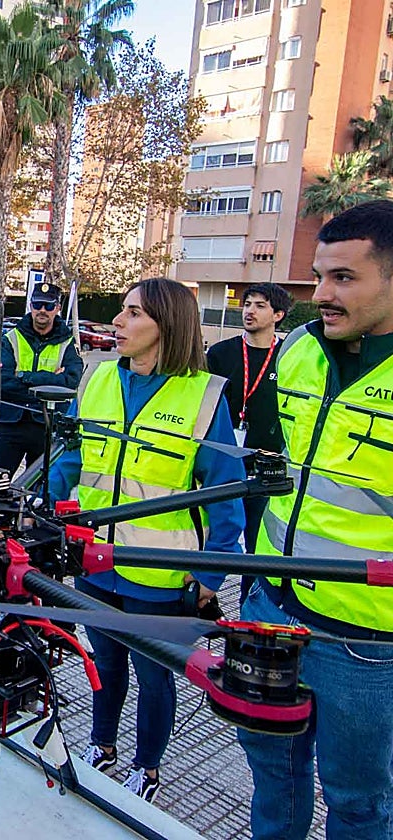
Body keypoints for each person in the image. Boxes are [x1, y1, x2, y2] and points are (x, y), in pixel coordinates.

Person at [49, 277, 245, 803]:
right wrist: (46, 517)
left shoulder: (203, 396)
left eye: (133, 313)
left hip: (161, 569)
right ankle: (102, 744)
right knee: (104, 663)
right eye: (121, 311)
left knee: (153, 677)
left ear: (167, 326)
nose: (118, 322)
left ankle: (147, 767)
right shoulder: (95, 381)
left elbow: (226, 497)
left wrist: (210, 577)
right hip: (94, 561)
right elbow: (69, 461)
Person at [237, 200, 393, 840]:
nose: (320, 294)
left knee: (356, 802)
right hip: (271, 606)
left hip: (364, 641)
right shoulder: (299, 349)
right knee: (272, 774)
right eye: (320, 275)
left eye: (344, 278)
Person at [206, 282, 292, 606]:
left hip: (266, 467)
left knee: (256, 547)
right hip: (222, 463)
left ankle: (247, 609)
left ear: (278, 315)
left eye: (259, 305)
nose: (250, 311)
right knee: (212, 533)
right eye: (247, 304)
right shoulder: (221, 353)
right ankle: (202, 596)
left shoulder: (287, 358)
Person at [0, 281, 83, 475]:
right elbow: (2, 381)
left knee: (41, 494)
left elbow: (70, 382)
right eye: (38, 304)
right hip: (11, 424)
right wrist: (50, 381)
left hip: (48, 426)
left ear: (58, 308)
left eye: (49, 306)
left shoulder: (67, 342)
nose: (42, 310)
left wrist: (24, 376)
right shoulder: (10, 338)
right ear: (30, 306)